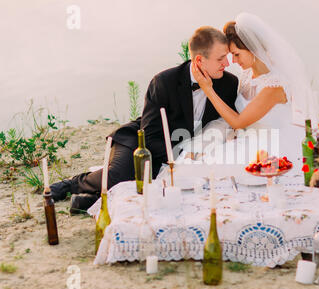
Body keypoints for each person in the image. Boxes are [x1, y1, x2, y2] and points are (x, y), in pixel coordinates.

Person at [50, 26, 239, 212]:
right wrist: (182, 155)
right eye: (221, 58)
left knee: (163, 183)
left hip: (181, 149)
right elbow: (150, 137)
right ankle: (71, 184)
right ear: (199, 60)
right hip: (140, 140)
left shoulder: (229, 83)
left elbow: (225, 123)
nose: (227, 63)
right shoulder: (164, 82)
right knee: (120, 177)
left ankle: (86, 201)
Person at [163, 12, 319, 180]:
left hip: (273, 144)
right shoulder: (247, 76)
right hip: (247, 139)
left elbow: (238, 121)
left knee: (219, 168)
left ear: (252, 49)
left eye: (236, 54)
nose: (232, 61)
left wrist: (208, 89)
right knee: (199, 160)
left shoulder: (274, 87)